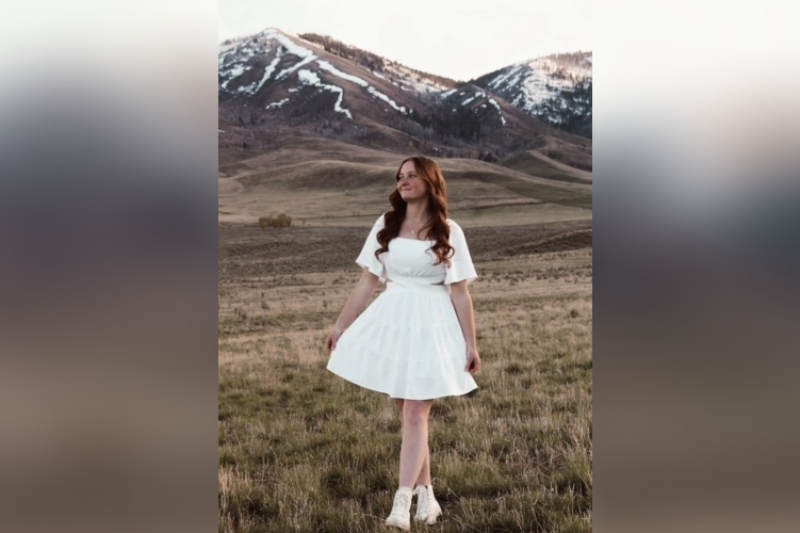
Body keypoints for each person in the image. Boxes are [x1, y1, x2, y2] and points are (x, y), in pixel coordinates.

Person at [325, 155, 482, 530]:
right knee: (409, 415)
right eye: (400, 177)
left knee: (415, 413)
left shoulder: (449, 230)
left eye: (412, 176)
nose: (403, 181)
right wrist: (340, 326)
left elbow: (460, 293)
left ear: (430, 181)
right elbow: (367, 281)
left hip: (432, 324)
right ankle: (428, 496)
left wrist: (470, 345)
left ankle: (401, 503)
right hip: (393, 321)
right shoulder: (387, 224)